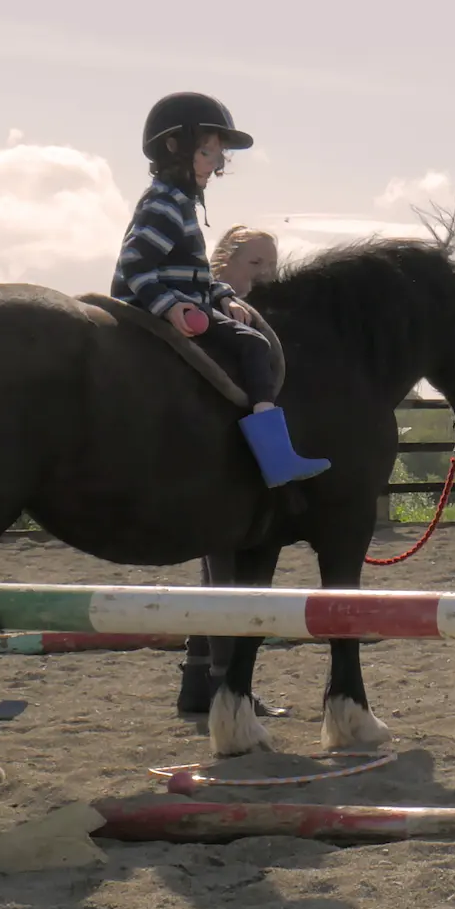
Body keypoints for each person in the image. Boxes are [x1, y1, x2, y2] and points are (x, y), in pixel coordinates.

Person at [112, 92, 328, 487]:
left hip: (183, 303)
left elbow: (194, 275)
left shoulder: (179, 203)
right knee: (253, 345)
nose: (217, 165)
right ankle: (274, 455)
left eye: (219, 156)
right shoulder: (163, 204)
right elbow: (135, 265)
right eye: (208, 153)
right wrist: (168, 308)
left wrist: (223, 296)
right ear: (174, 146)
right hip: (151, 309)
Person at [176, 224, 291, 719]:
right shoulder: (218, 319)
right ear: (222, 261)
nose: (265, 275)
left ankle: (197, 676)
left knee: (213, 564)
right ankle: (225, 680)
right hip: (215, 457)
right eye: (255, 264)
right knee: (224, 562)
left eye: (272, 265)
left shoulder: (228, 305)